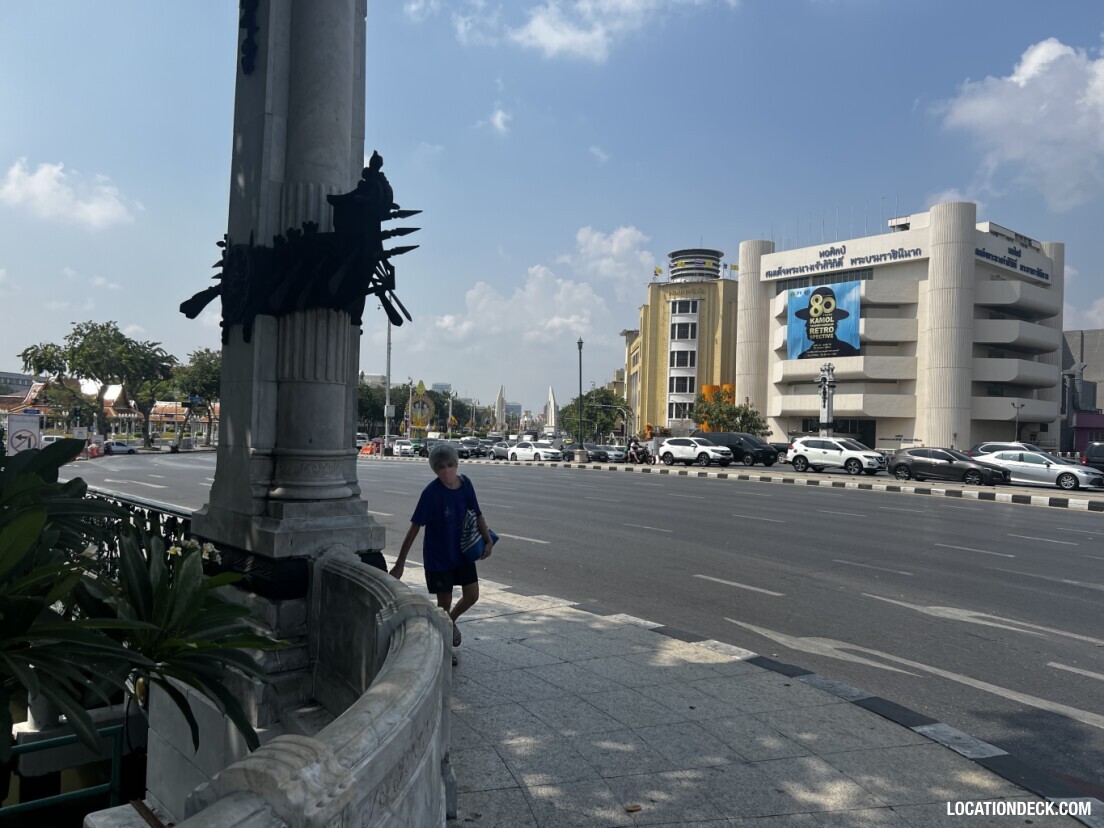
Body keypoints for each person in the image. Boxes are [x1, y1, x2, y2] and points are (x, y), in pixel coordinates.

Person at [390, 442, 493, 665]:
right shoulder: (431, 493)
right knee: (443, 604)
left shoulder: (465, 484)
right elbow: (414, 528)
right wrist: (400, 563)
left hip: (463, 552)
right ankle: (445, 649)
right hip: (439, 556)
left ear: (456, 464)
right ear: (435, 470)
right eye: (441, 467)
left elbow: (477, 514)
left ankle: (450, 621)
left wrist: (487, 540)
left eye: (450, 465)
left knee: (472, 595)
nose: (446, 470)